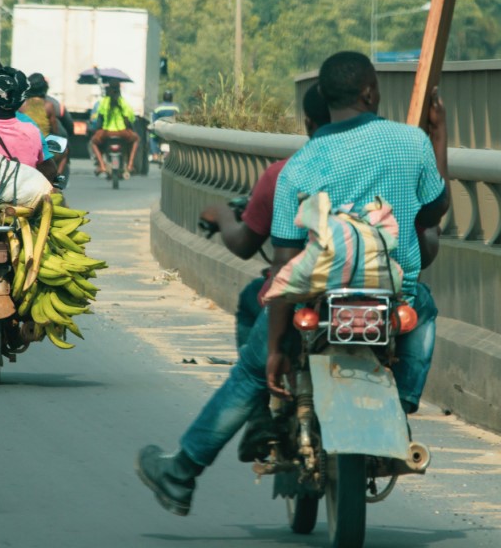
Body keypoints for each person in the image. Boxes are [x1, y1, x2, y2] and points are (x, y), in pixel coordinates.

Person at [136, 50, 449, 517]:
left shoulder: (297, 168)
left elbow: (284, 263)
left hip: (317, 298)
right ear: (370, 92)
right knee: (423, 309)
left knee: (248, 373)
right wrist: (438, 135)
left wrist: (278, 346)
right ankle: (400, 400)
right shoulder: (409, 143)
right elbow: (434, 211)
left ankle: (181, 473)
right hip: (390, 296)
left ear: (322, 99)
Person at [199, 83, 331, 350]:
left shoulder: (285, 174)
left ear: (308, 122)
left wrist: (223, 215)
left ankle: (256, 381)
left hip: (305, 295)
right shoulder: (388, 165)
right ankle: (408, 395)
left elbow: (249, 246)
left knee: (247, 377)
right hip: (375, 291)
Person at [90, 79, 140, 177]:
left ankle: (102, 166)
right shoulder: (123, 102)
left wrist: (97, 130)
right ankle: (130, 165)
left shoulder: (104, 102)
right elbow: (130, 120)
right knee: (136, 139)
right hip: (122, 132)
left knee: (93, 142)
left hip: (106, 132)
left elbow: (99, 120)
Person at [149, 90, 180, 162]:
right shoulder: (176, 108)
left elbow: (154, 121)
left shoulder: (157, 108)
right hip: (172, 130)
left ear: (163, 98)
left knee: (152, 137)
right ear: (171, 98)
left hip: (160, 130)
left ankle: (155, 155)